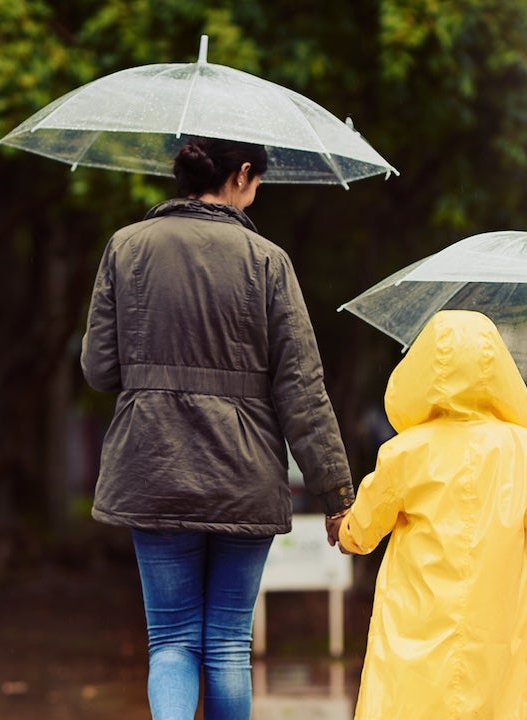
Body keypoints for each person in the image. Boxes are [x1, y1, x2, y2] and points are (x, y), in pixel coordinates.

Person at [80, 136, 355, 720]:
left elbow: (99, 369)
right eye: (259, 183)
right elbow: (302, 390)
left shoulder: (125, 248)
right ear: (243, 174)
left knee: (172, 640)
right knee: (228, 642)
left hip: (151, 466)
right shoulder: (268, 262)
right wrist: (335, 495)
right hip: (244, 473)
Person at [337, 309, 527, 719]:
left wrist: (344, 532)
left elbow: (365, 529)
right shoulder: (523, 449)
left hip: (418, 624)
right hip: (502, 624)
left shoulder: (405, 451)